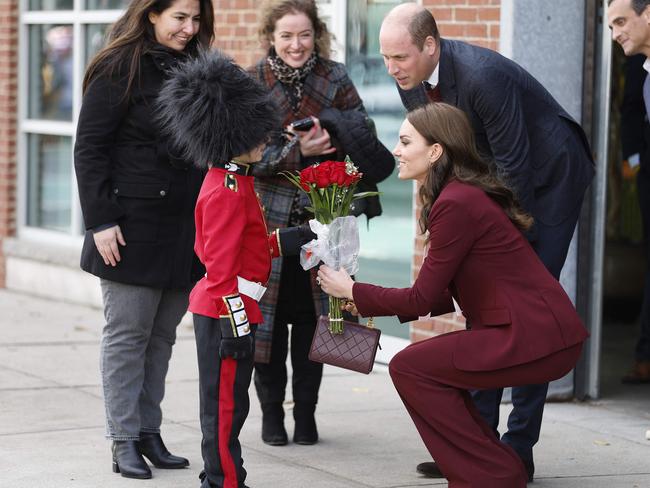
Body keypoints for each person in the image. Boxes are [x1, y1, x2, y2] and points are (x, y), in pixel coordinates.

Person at [317, 103, 589, 488]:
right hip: (539, 333)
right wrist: (359, 296)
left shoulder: (456, 202)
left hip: (535, 337)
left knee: (410, 366)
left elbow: (421, 299)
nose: (396, 149)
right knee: (429, 370)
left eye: (405, 140)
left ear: (435, 151)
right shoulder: (460, 195)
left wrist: (355, 291)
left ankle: (493, 473)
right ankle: (487, 464)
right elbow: (442, 290)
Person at [377, 3, 595, 480]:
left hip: (549, 174)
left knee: (530, 314)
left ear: (430, 47)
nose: (392, 69)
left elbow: (514, 167)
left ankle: (518, 449)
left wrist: (489, 243)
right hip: (495, 181)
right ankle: (476, 445)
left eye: (400, 57)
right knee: (484, 309)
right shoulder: (411, 77)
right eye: (386, 58)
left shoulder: (482, 77)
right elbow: (440, 153)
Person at [156, 50, 318, 488]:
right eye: (259, 136)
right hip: (229, 311)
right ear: (234, 136)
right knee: (226, 407)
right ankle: (224, 481)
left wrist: (293, 237)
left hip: (233, 307)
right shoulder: (227, 190)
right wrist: (236, 324)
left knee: (230, 404)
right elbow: (223, 267)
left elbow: (245, 247)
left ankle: (225, 474)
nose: (266, 143)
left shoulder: (234, 181)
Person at [73, 0, 214, 479]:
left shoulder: (200, 69)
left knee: (161, 337)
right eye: (179, 17)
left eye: (196, 19)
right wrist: (100, 220)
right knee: (128, 336)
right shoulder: (120, 66)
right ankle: (123, 438)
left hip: (184, 225)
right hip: (129, 225)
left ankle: (149, 432)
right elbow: (90, 147)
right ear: (151, 14)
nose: (190, 28)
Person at [247, 0, 395, 447]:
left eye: (305, 35)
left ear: (317, 35)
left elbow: (364, 133)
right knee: (265, 333)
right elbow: (244, 158)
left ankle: (307, 416)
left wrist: (336, 138)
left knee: (317, 326)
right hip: (269, 230)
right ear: (271, 37)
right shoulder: (251, 83)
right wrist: (299, 153)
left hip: (323, 224)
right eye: (287, 35)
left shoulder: (335, 76)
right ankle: (272, 417)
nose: (296, 44)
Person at [608, 0, 650, 383]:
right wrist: (635, 162)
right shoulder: (645, 71)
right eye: (609, 26)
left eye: (620, 22)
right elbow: (632, 111)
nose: (615, 33)